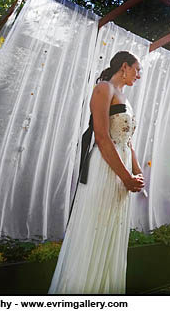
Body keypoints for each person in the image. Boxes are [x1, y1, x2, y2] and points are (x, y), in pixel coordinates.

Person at [49, 51, 145, 294]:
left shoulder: (126, 98)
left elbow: (128, 141)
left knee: (112, 230)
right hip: (105, 167)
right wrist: (125, 177)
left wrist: (137, 171)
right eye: (137, 69)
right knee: (96, 227)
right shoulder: (104, 89)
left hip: (122, 167)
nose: (139, 75)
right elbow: (102, 137)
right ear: (124, 67)